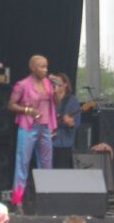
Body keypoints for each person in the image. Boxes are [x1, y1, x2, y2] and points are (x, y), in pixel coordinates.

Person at [7, 55, 58, 212]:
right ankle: (17, 200)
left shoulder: (48, 83)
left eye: (46, 66)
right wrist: (28, 110)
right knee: (22, 163)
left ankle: (47, 200)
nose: (45, 70)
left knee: (46, 164)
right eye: (42, 66)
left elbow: (55, 103)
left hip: (44, 127)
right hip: (28, 127)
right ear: (33, 68)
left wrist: (56, 91)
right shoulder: (22, 85)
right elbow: (11, 105)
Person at [51, 72, 81, 169]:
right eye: (54, 82)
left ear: (65, 84)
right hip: (48, 143)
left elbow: (76, 124)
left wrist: (70, 123)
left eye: (58, 82)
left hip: (64, 145)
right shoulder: (49, 100)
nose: (56, 84)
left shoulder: (72, 101)